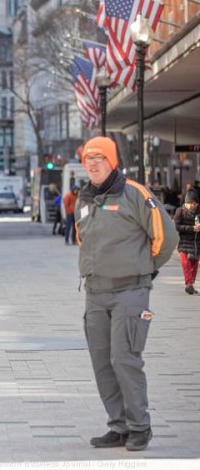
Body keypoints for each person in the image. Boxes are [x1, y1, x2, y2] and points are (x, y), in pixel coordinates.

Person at [75, 136, 178, 452]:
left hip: (129, 292)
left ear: (112, 161)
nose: (93, 164)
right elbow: (84, 239)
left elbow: (167, 236)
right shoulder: (84, 200)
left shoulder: (135, 194)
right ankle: (118, 426)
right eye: (88, 159)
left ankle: (139, 427)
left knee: (124, 358)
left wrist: (145, 270)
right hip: (95, 292)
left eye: (99, 158)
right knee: (102, 362)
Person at [174, 189, 200, 295]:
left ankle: (191, 284)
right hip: (184, 242)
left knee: (194, 264)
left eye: (193, 203)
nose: (191, 206)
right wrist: (191, 228)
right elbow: (176, 226)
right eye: (188, 203)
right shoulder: (180, 211)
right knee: (185, 263)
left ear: (197, 203)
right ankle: (189, 283)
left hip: (197, 243)